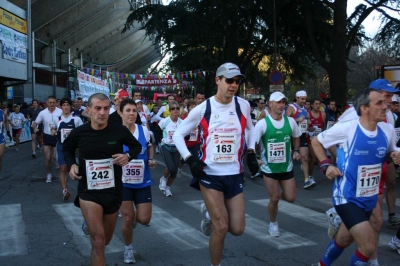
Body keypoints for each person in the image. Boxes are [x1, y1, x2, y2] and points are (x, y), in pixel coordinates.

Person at [173, 62, 258, 266]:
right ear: (217, 80)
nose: (233, 85)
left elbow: (250, 129)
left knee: (237, 229)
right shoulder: (204, 108)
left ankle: (208, 212)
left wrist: (251, 152)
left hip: (235, 173)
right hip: (209, 174)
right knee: (221, 227)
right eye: (229, 80)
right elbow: (178, 134)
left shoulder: (243, 105)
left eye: (237, 81)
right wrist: (190, 159)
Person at [311, 88, 400, 266]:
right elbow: (316, 141)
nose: (386, 106)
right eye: (379, 103)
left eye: (385, 102)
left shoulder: (388, 130)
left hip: (369, 198)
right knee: (367, 247)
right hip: (347, 198)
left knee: (343, 240)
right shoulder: (347, 129)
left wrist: (397, 155)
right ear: (365, 108)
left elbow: (392, 152)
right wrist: (326, 165)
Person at [63, 93, 141, 266]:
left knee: (104, 241)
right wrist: (72, 165)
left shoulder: (119, 130)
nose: (102, 112)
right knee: (98, 242)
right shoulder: (79, 132)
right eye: (98, 108)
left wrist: (127, 156)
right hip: (89, 191)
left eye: (106, 108)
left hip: (113, 191)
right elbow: (66, 149)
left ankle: (92, 231)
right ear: (89, 110)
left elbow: (137, 146)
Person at [254, 92, 301, 237]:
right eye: (278, 102)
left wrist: (296, 150)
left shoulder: (290, 121)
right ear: (270, 104)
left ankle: (274, 197)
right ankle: (273, 223)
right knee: (274, 198)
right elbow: (254, 143)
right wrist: (257, 157)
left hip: (286, 166)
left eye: (283, 102)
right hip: (269, 167)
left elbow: (297, 136)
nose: (281, 105)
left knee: (291, 197)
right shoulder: (262, 123)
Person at [119, 99, 156, 264]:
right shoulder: (114, 132)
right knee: (127, 218)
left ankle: (132, 220)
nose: (132, 114)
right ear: (121, 112)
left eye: (134, 110)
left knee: (144, 220)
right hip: (123, 183)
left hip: (142, 182)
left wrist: (152, 160)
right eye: (128, 110)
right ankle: (128, 249)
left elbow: (149, 147)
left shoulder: (143, 130)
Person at [51, 97, 83, 200]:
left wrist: (73, 134)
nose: (66, 107)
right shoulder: (57, 119)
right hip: (61, 146)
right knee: (62, 168)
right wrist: (53, 131)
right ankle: (65, 190)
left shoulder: (76, 119)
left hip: (73, 148)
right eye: (64, 105)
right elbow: (53, 127)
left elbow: (82, 133)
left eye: (67, 105)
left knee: (71, 169)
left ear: (70, 107)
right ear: (61, 107)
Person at [286, 90, 314, 189]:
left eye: (305, 99)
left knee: (305, 157)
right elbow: (285, 119)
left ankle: (306, 179)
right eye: (302, 99)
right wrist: (297, 120)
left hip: (302, 135)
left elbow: (305, 121)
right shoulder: (292, 107)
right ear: (297, 98)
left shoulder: (305, 108)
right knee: (289, 159)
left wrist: (308, 123)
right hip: (291, 136)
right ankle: (287, 180)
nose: (304, 101)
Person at [32, 96, 62, 183]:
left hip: (57, 136)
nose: (52, 104)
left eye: (53, 102)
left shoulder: (60, 111)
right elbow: (35, 122)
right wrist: (35, 128)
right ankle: (49, 174)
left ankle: (59, 169)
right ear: (47, 103)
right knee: (48, 157)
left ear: (56, 103)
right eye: (50, 102)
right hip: (47, 136)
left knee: (56, 157)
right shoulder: (42, 113)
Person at [158, 100, 182, 197]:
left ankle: (167, 188)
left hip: (177, 147)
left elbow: (186, 134)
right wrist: (163, 139)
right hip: (166, 146)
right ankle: (163, 178)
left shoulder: (182, 122)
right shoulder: (164, 121)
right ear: (170, 110)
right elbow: (157, 131)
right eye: (173, 108)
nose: (175, 110)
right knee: (171, 167)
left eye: (177, 108)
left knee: (175, 171)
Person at [307, 98, 326, 183]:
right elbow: (304, 127)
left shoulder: (323, 114)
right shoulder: (308, 114)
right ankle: (309, 176)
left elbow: (324, 127)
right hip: (310, 138)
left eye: (319, 104)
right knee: (313, 158)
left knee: (319, 158)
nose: (318, 106)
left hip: (319, 138)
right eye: (316, 104)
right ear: (311, 105)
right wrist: (309, 129)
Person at [0, 107, 6, 175]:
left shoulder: (3, 112)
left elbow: (6, 122)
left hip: (1, 136)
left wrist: (7, 131)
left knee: (0, 156)